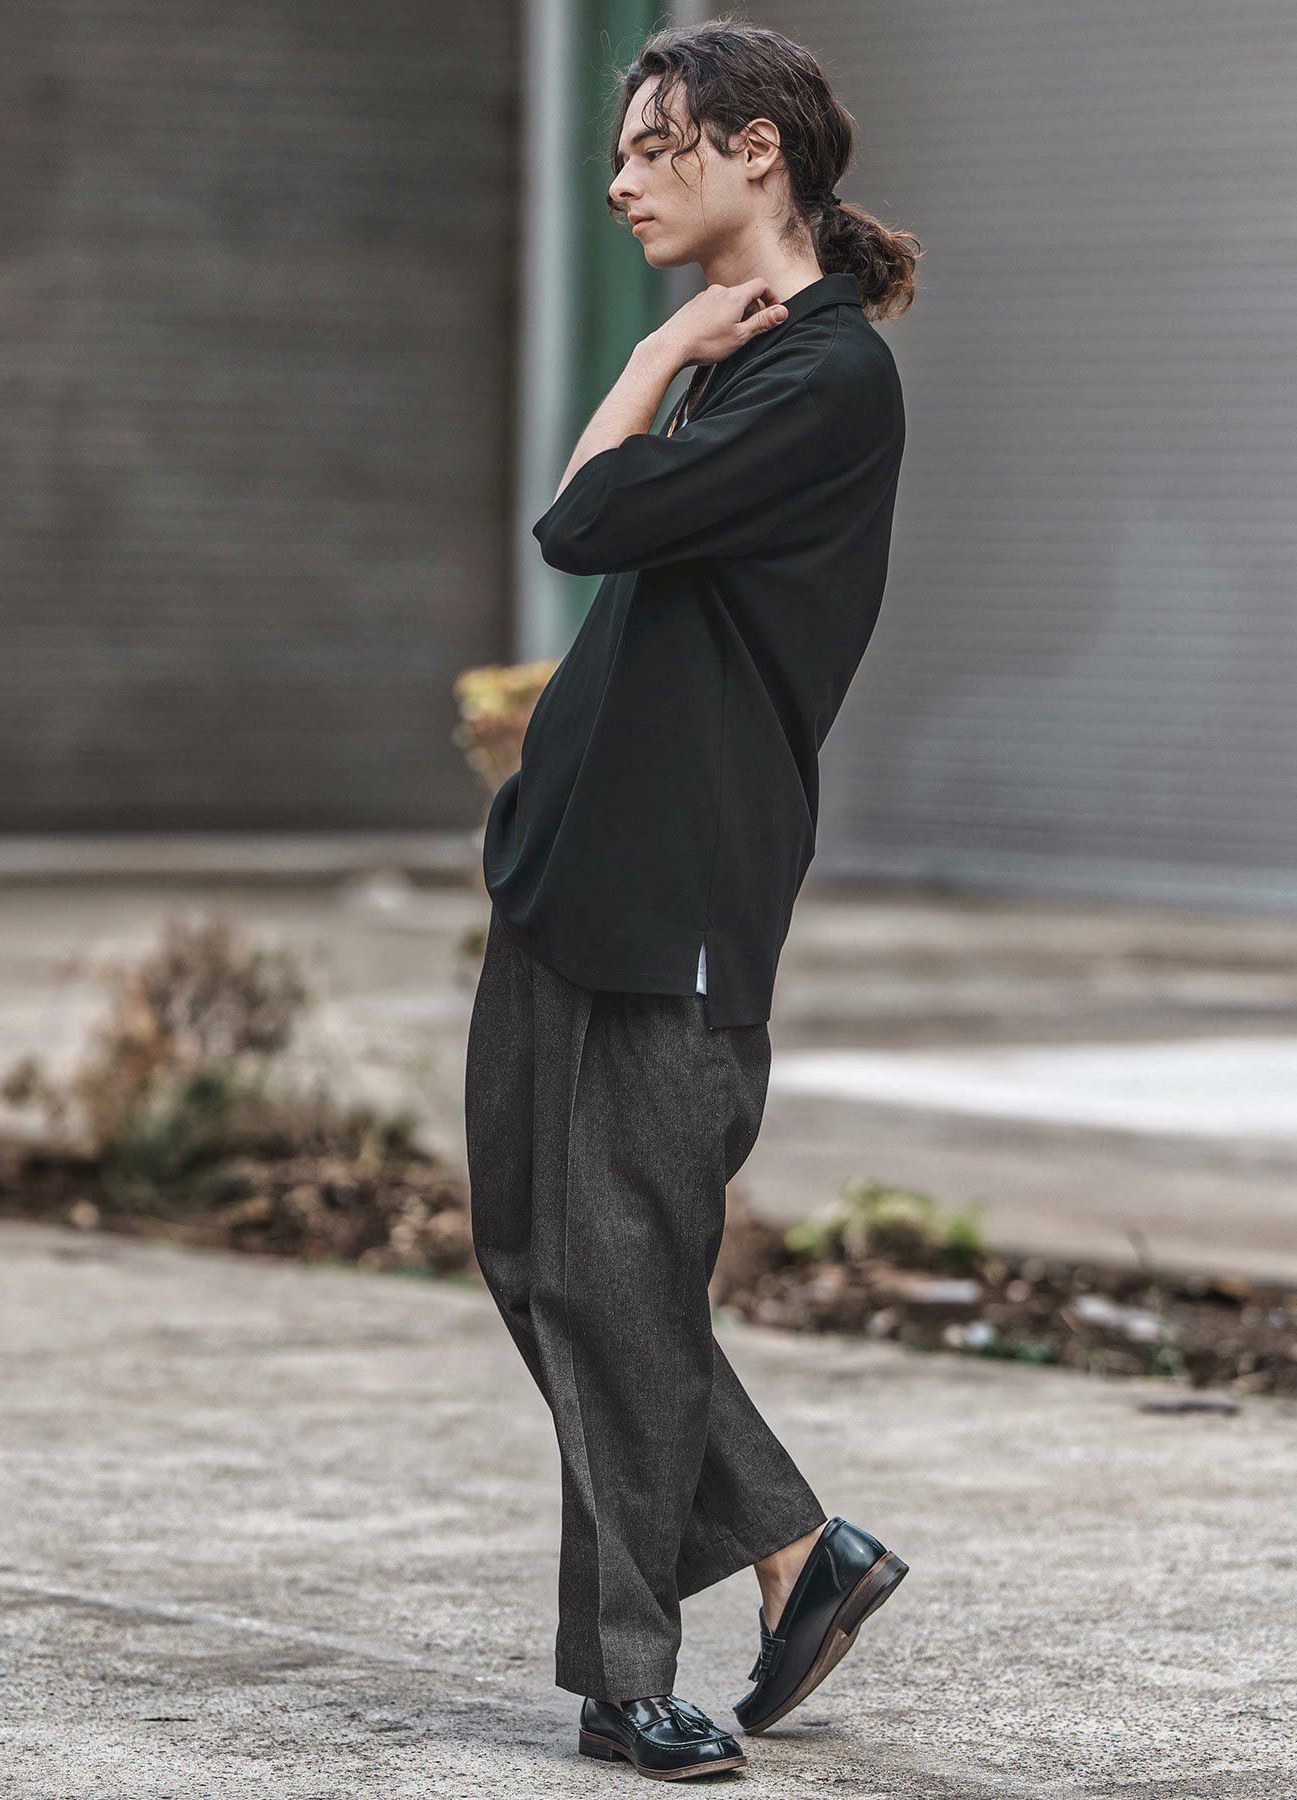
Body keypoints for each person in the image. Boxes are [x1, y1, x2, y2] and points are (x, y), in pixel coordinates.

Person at [465, 18, 921, 1780]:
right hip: (575, 865)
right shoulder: (746, 367)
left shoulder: (822, 380)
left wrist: (655, 351)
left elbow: (580, 522)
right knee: (540, 1257)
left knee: (622, 1266)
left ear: (755, 152)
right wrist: (679, 357)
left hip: (683, 892)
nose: (620, 181)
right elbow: (593, 526)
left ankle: (627, 1674)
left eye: (654, 146)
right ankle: (803, 1552)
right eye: (622, 149)